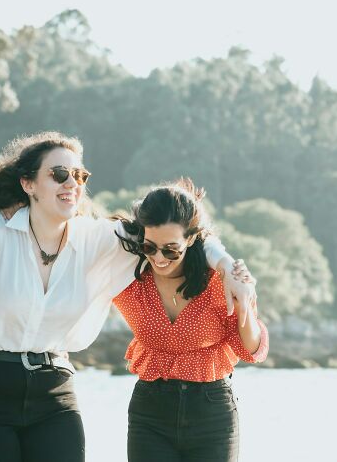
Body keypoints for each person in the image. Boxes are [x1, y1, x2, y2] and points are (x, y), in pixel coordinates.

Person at [0, 132, 255, 462]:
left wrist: (226, 268)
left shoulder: (100, 239)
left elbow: (183, 232)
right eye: (59, 174)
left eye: (79, 175)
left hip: (53, 390)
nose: (72, 183)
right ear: (28, 184)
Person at [114, 179, 269, 462]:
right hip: (150, 413)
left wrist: (244, 305)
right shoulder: (130, 280)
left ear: (191, 239)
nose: (159, 258)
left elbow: (250, 349)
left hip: (212, 414)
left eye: (171, 249)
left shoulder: (218, 282)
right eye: (150, 247)